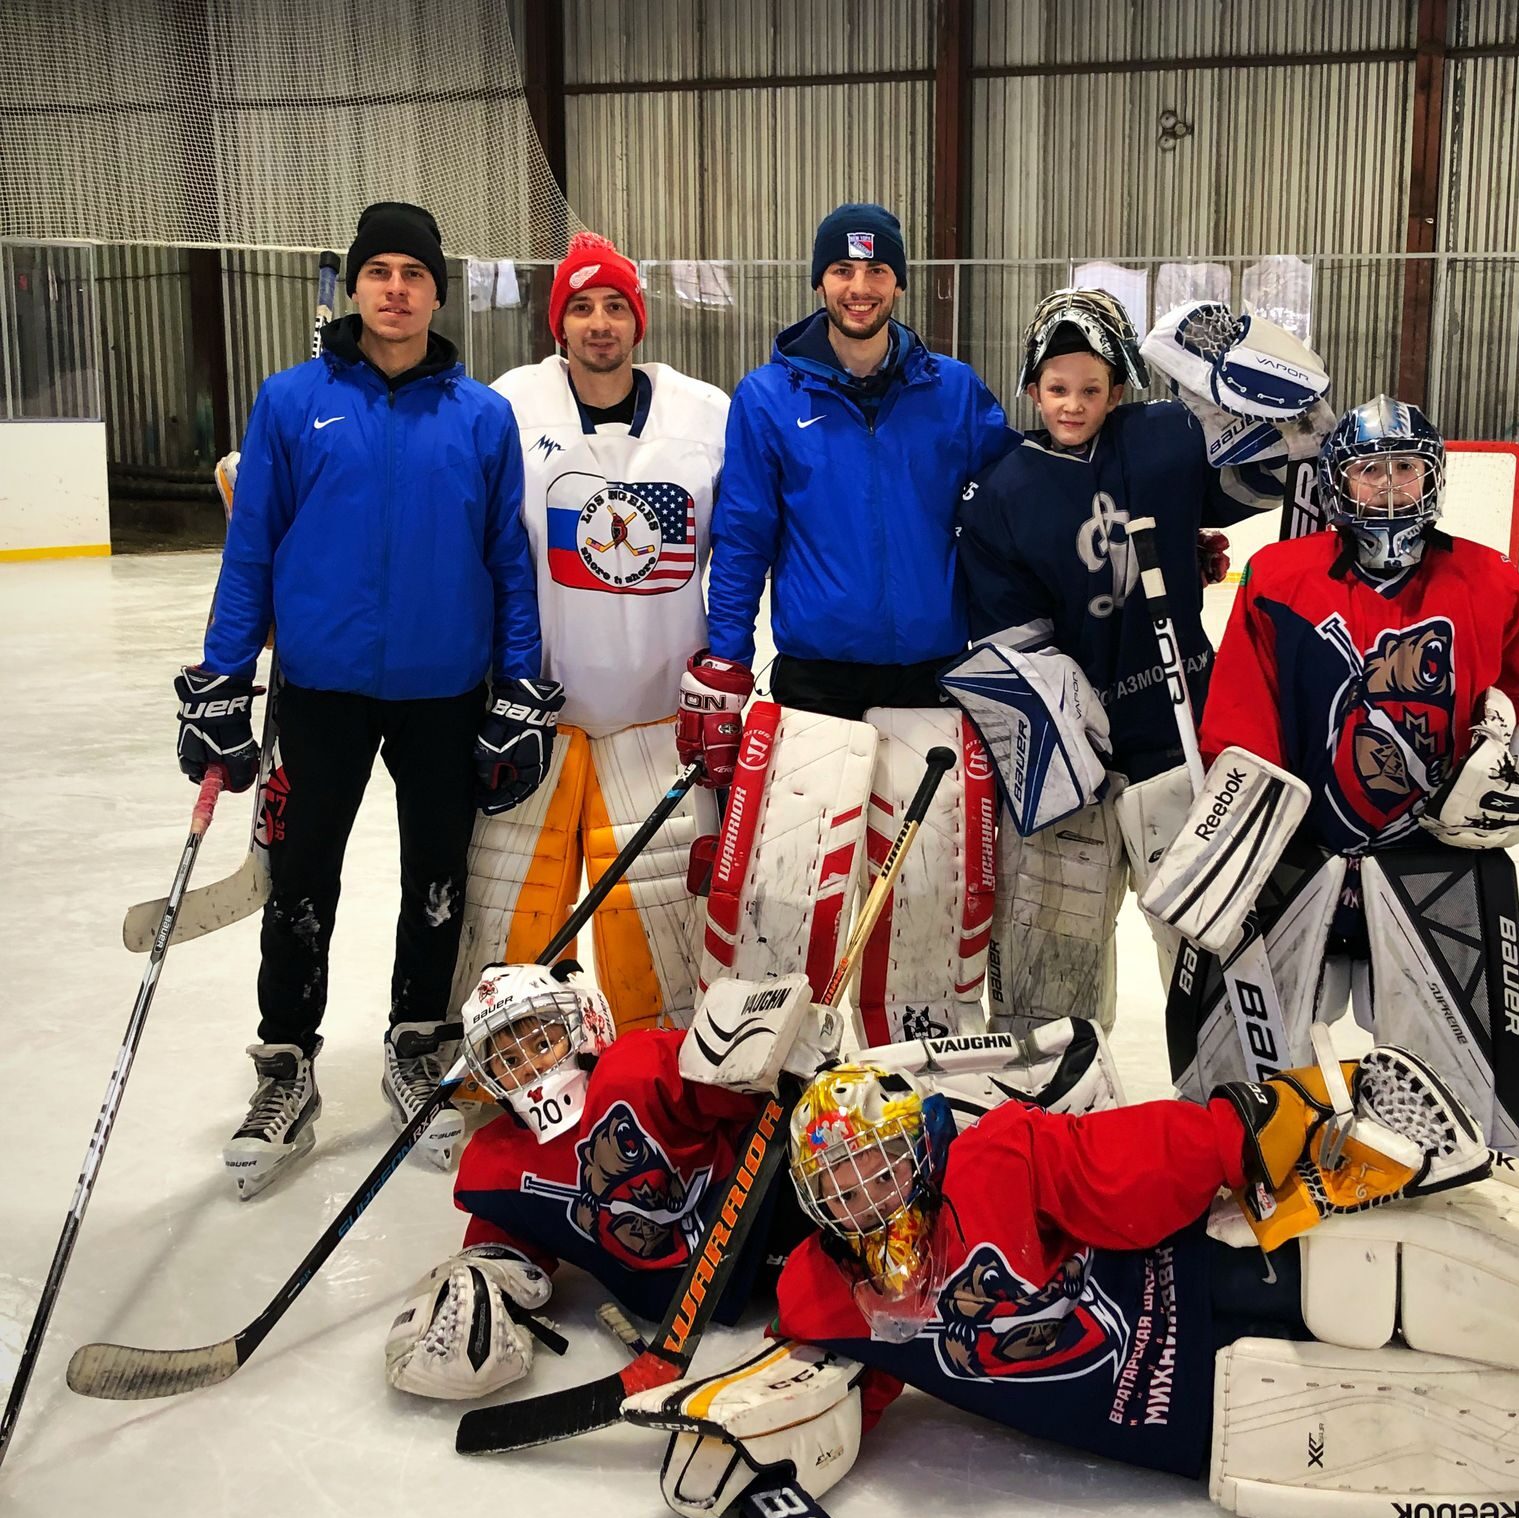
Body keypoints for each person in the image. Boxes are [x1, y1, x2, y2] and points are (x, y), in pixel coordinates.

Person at [622, 1061, 1519, 1518]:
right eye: (840, 1187)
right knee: (1400, 1421)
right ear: (812, 1202)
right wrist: (736, 1430)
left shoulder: (994, 1156)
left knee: (1379, 1289)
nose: (866, 1198)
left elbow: (1109, 1164)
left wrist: (1237, 1131)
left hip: (1203, 1284)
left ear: (917, 1144)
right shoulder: (825, 1293)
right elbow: (825, 1385)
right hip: (1191, 1424)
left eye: (878, 1167)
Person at [181, 200, 552, 1198]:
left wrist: (517, 683)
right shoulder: (292, 402)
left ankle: (416, 1040)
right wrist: (223, 679)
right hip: (320, 693)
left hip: (443, 694)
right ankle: (285, 1061)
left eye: (414, 274)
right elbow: (252, 544)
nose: (395, 288)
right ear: (354, 286)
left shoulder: (480, 417)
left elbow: (506, 562)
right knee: (301, 881)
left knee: (437, 878)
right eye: (379, 271)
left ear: (437, 293)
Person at [382, 970, 1126, 1400]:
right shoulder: (496, 1161)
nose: (529, 1067)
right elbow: (511, 1243)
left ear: (579, 1026)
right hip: (754, 1283)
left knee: (879, 1133)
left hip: (774, 1201)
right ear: (481, 1079)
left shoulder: (635, 1067)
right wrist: (474, 1288)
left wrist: (771, 1058)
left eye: (539, 1039)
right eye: (505, 1058)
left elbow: (736, 1086)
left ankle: (1051, 1099)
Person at [1145, 396, 1519, 1149]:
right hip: (1299, 853)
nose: (1390, 486)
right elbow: (1242, 717)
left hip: (1432, 860)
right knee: (1250, 1075)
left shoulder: (1488, 579)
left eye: (1407, 469)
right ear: (1338, 484)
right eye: (1370, 470)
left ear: (1433, 478)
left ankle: (1441, 1168)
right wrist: (1242, 827)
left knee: (1444, 1080)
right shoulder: (1278, 576)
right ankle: (1255, 1158)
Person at [948, 289, 1333, 1031]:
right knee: (1047, 983)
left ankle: (1233, 1113)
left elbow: (1289, 452)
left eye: (1092, 388)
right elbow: (1008, 642)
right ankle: (1051, 1123)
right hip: (1068, 770)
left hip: (1178, 740)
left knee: (1218, 963)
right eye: (1056, 388)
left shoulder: (1164, 438)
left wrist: (1238, 378)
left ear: (1119, 388)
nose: (1072, 403)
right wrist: (1062, 733)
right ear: (1031, 389)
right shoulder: (1003, 488)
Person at [681, 203, 1018, 1048]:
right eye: (843, 270)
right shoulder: (766, 398)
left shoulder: (953, 391)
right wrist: (725, 660)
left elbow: (1024, 505)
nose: (859, 288)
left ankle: (914, 1053)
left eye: (876, 272)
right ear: (820, 280)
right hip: (816, 682)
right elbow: (746, 535)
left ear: (899, 280)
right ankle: (797, 1050)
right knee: (797, 891)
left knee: (927, 890)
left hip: (931, 679)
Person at [451, 235, 730, 1035]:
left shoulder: (705, 413)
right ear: (559, 324)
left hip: (663, 718)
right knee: (506, 912)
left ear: (637, 322)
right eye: (581, 306)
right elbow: (480, 545)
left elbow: (746, 545)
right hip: (539, 714)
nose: (599, 322)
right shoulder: (510, 404)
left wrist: (730, 664)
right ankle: (499, 1073)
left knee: (666, 929)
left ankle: (660, 1080)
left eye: (615, 306)